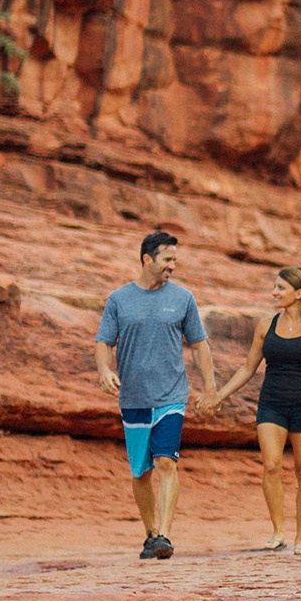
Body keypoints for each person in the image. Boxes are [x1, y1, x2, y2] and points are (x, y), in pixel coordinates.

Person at [95, 230, 217, 560]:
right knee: (140, 472)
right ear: (147, 259)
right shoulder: (119, 299)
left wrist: (210, 387)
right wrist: (105, 371)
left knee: (166, 462)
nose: (173, 266)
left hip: (171, 395)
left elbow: (199, 345)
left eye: (175, 260)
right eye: (167, 259)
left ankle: (164, 534)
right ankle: (150, 533)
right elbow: (104, 342)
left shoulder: (183, 298)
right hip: (134, 398)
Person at [212, 265, 301, 553]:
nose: (274, 293)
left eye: (280, 288)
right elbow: (248, 367)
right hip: (272, 404)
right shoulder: (266, 325)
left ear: (299, 293)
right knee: (271, 466)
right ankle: (278, 531)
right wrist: (220, 394)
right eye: (275, 287)